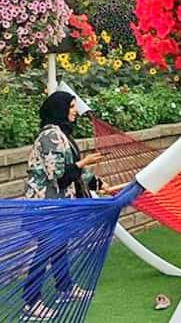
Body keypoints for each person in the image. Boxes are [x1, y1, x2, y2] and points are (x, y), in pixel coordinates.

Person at [23, 91, 104, 319]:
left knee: (58, 249)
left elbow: (73, 170)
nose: (75, 111)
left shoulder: (61, 134)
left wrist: (99, 183)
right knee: (45, 251)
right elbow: (58, 175)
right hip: (45, 207)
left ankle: (65, 289)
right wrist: (85, 162)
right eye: (70, 106)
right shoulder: (51, 136)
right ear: (59, 109)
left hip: (58, 205)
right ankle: (31, 302)